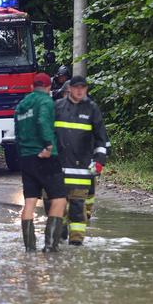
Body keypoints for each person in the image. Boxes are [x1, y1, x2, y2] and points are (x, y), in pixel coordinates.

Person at [14, 73, 67, 253]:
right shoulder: (45, 101)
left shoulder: (21, 106)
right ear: (48, 87)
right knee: (59, 199)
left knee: (29, 201)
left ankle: (30, 247)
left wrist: (22, 154)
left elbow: (17, 133)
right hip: (45, 157)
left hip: (26, 157)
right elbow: (43, 121)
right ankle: (50, 246)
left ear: (31, 87)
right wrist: (49, 145)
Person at [54, 75, 109, 245]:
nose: (79, 90)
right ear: (69, 88)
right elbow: (47, 134)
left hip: (82, 169)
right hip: (58, 168)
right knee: (57, 206)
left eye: (83, 87)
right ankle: (60, 234)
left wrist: (99, 161)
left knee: (78, 207)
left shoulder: (92, 109)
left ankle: (77, 244)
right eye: (76, 87)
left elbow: (102, 139)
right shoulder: (58, 107)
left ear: (86, 89)